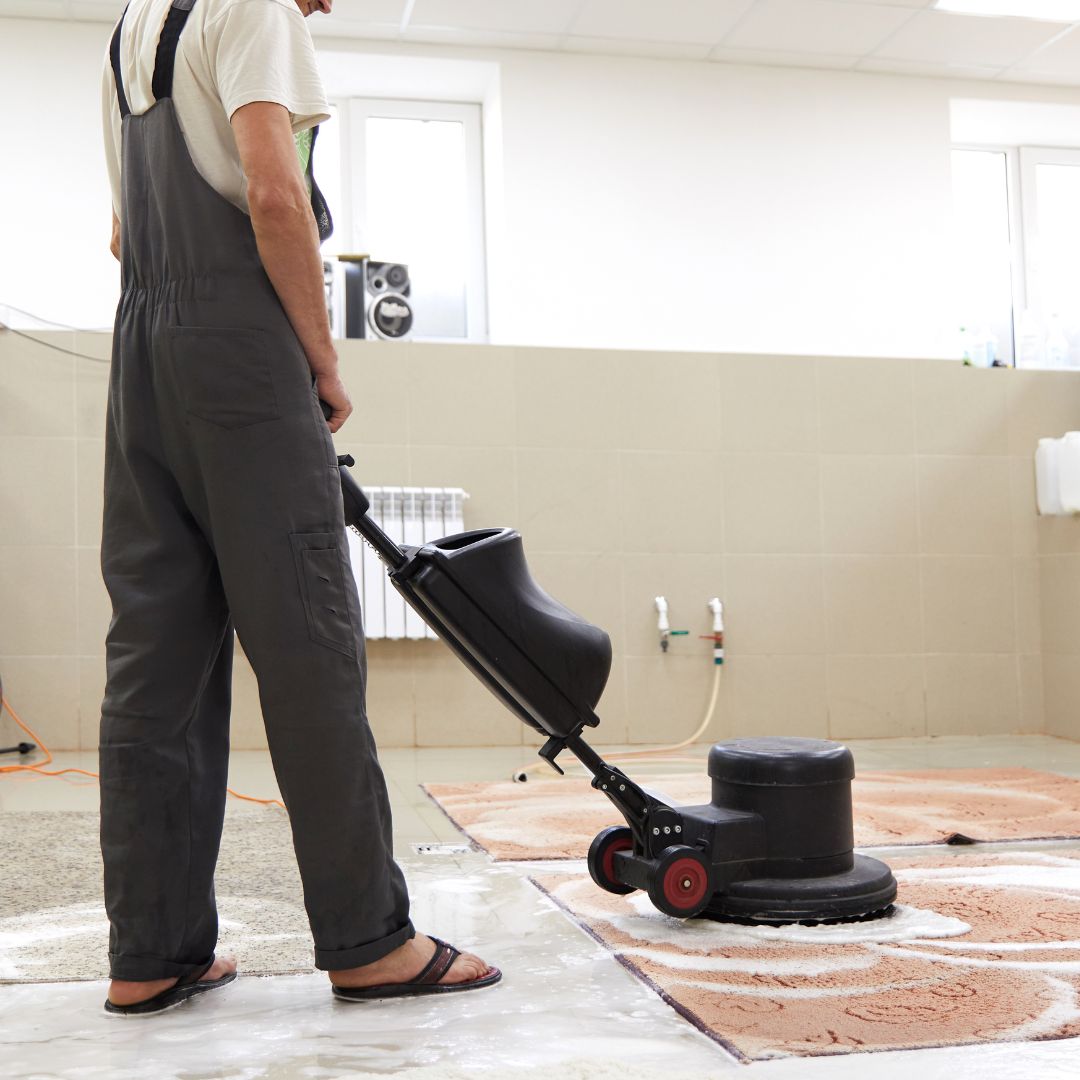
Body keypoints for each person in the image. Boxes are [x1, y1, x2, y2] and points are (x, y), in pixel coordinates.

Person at [98, 0, 500, 1015]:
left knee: (155, 659)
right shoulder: (256, 9)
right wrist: (319, 362)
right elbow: (276, 197)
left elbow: (118, 235)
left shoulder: (132, 28)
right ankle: (369, 940)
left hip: (141, 356)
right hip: (239, 349)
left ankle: (151, 951)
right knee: (310, 645)